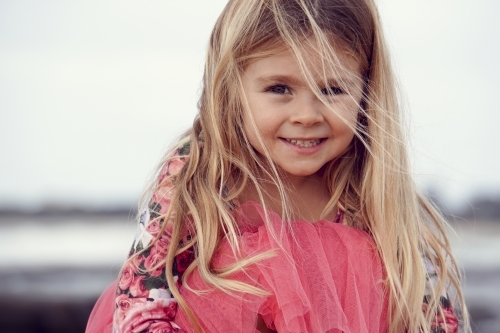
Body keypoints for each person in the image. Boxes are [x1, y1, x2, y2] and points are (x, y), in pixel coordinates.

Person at [88, 0, 470, 332]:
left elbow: (432, 316)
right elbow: (141, 306)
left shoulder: (369, 185)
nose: (306, 115)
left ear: (365, 93)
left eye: (332, 90)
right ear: (233, 87)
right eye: (279, 89)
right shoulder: (201, 171)